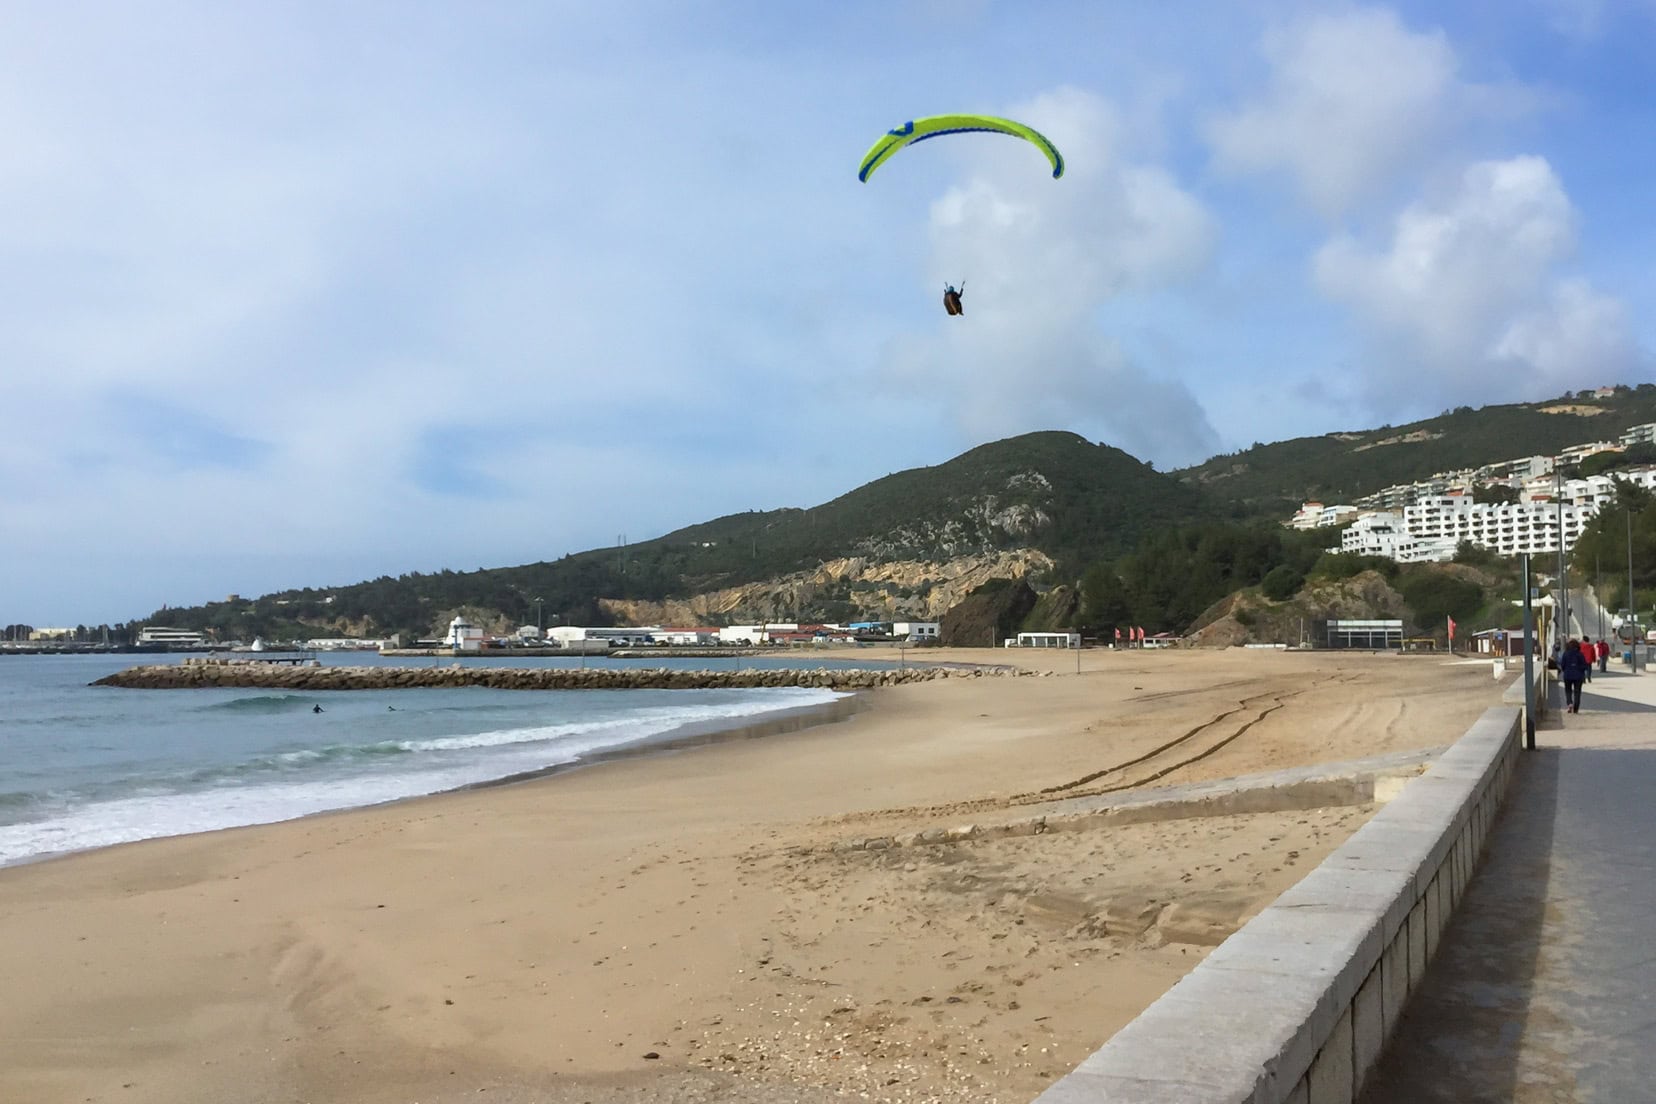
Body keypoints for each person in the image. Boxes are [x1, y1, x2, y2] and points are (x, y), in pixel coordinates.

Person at [1558, 638, 1589, 714]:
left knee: (1568, 691)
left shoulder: (1566, 654)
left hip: (1568, 675)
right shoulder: (1580, 654)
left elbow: (1562, 665)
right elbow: (1584, 665)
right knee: (1577, 692)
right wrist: (1580, 670)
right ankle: (1576, 708)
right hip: (1578, 676)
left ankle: (1569, 703)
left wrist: (1566, 670)